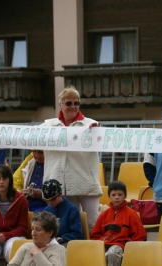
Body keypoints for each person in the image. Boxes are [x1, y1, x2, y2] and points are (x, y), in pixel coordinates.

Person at [42, 86, 102, 231]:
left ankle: (95, 253)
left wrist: (98, 131)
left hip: (86, 180)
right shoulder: (47, 125)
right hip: (61, 183)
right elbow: (23, 136)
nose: (73, 106)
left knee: (92, 224)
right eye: (68, 103)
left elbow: (102, 139)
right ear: (61, 105)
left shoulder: (91, 124)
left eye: (76, 103)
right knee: (69, 225)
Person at [90, 181, 147, 266]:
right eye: (113, 195)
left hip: (121, 245)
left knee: (112, 253)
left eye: (120, 195)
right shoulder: (103, 215)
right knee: (92, 252)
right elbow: (95, 235)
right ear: (109, 196)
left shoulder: (131, 214)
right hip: (104, 243)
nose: (117, 197)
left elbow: (140, 236)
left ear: (125, 196)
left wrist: (131, 247)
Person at [42, 179, 84, 247]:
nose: (50, 202)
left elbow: (77, 234)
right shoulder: (47, 210)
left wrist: (61, 239)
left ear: (60, 193)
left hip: (67, 244)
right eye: (46, 200)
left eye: (53, 199)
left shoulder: (72, 209)